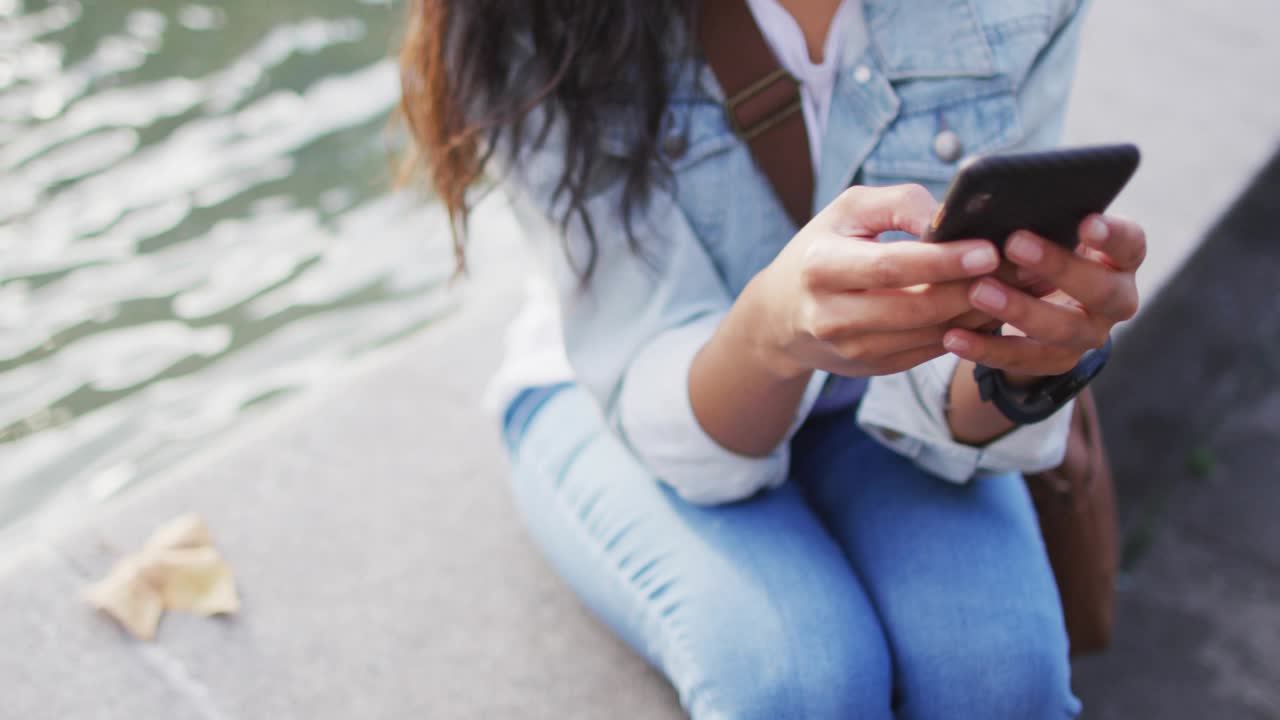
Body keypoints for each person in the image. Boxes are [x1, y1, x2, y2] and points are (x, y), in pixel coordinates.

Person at [399, 0, 1145, 717]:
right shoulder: (533, 20)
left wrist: (1025, 353)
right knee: (798, 683)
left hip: (891, 385)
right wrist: (770, 334)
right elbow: (644, 365)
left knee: (998, 676)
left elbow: (959, 380)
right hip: (623, 378)